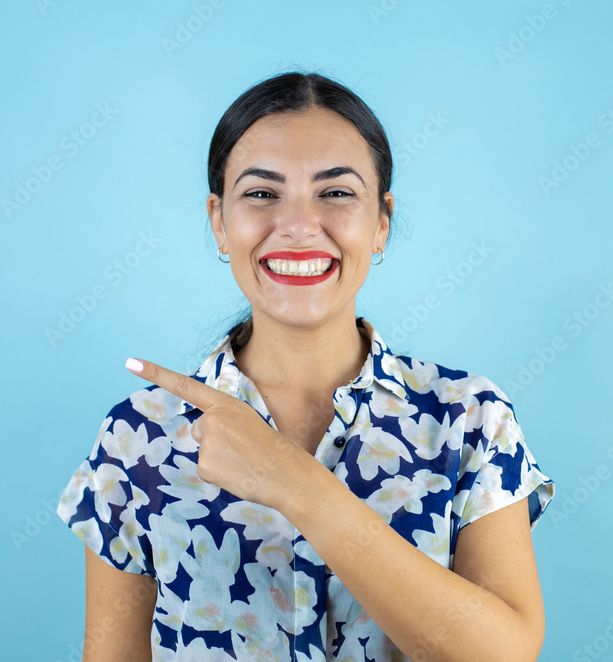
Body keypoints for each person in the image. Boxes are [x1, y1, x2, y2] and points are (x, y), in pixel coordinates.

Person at [56, 70, 556, 662]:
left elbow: (504, 655)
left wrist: (296, 484)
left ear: (381, 222)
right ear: (219, 221)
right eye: (262, 194)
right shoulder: (137, 437)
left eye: (336, 193)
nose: (296, 227)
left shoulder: (470, 419)